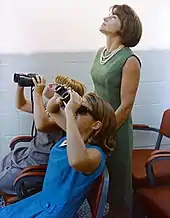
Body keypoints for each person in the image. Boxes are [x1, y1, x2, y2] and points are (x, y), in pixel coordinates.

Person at [0, 91, 117, 218]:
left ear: (96, 124)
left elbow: (76, 161)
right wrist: (58, 98)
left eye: (82, 110)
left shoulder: (96, 154)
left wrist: (70, 113)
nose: (76, 111)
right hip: (42, 200)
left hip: (55, 212)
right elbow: (53, 110)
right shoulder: (75, 135)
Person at [90, 4, 142, 218]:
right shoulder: (100, 53)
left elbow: (126, 106)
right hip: (97, 125)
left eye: (113, 17)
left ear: (125, 27)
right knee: (97, 182)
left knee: (119, 187)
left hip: (116, 130)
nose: (106, 18)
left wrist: (104, 131)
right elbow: (97, 90)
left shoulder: (130, 61)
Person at [0, 75, 85, 196]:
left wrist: (37, 93)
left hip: (39, 162)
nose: (50, 85)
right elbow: (22, 105)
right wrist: (21, 85)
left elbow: (42, 125)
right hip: (28, 153)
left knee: (2, 182)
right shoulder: (47, 106)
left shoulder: (64, 116)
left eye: (57, 85)